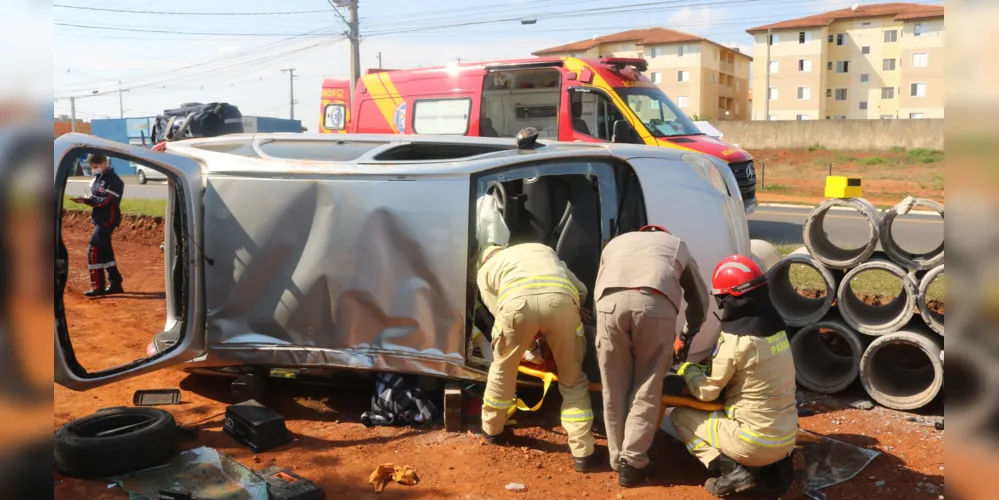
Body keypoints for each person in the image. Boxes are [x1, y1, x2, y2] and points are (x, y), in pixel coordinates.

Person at [670, 255, 805, 498]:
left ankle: (734, 471)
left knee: (680, 416)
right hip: (787, 437)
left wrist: (687, 369)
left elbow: (707, 391)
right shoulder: (778, 331)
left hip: (753, 442)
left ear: (728, 298)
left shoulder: (736, 341)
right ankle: (776, 465)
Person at [592, 224, 710, 487]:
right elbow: (699, 301)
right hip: (654, 306)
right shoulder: (677, 245)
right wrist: (686, 335)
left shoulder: (616, 243)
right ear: (663, 236)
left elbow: (599, 286)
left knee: (613, 386)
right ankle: (632, 461)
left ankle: (616, 457)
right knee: (647, 384)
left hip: (608, 307)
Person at [475, 242, 599, 472]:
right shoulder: (542, 250)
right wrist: (572, 309)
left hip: (516, 307)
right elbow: (581, 290)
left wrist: (531, 344)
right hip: (561, 303)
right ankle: (583, 452)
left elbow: (497, 310)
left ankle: (492, 430)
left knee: (503, 370)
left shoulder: (486, 270)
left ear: (485, 259)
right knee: (572, 380)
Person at [71, 153, 125, 297]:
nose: (94, 169)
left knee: (93, 249)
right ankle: (115, 283)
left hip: (108, 220)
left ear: (103, 163)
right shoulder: (98, 178)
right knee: (106, 251)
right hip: (99, 218)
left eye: (96, 166)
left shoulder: (114, 181)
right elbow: (96, 197)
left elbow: (107, 202)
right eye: (93, 167)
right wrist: (85, 199)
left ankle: (98, 286)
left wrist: (88, 201)